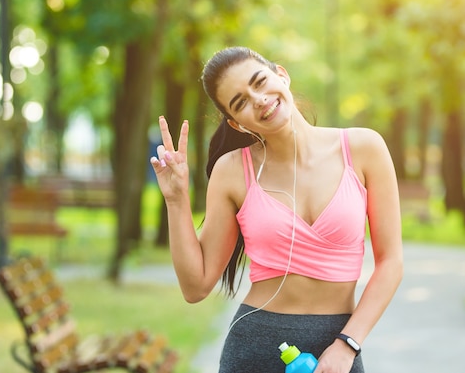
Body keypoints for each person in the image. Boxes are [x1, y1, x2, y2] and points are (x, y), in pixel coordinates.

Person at [150, 46, 403, 373]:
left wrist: (348, 344)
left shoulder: (364, 148)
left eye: (259, 81)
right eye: (240, 102)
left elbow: (391, 262)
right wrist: (176, 200)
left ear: (281, 74)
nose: (257, 98)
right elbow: (195, 287)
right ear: (236, 123)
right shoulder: (232, 171)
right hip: (255, 347)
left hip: (339, 350)